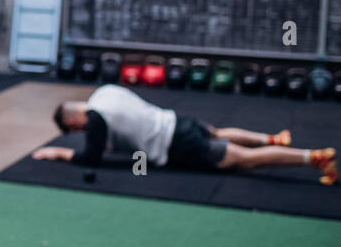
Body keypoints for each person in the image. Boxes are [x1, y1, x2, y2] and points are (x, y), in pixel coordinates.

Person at [35, 83, 337, 184]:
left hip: (178, 144)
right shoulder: (105, 92)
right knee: (219, 132)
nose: (80, 130)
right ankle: (271, 138)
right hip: (178, 121)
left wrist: (61, 153)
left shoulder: (96, 118)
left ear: (75, 122)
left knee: (244, 160)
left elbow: (92, 157)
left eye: (75, 129)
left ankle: (315, 158)